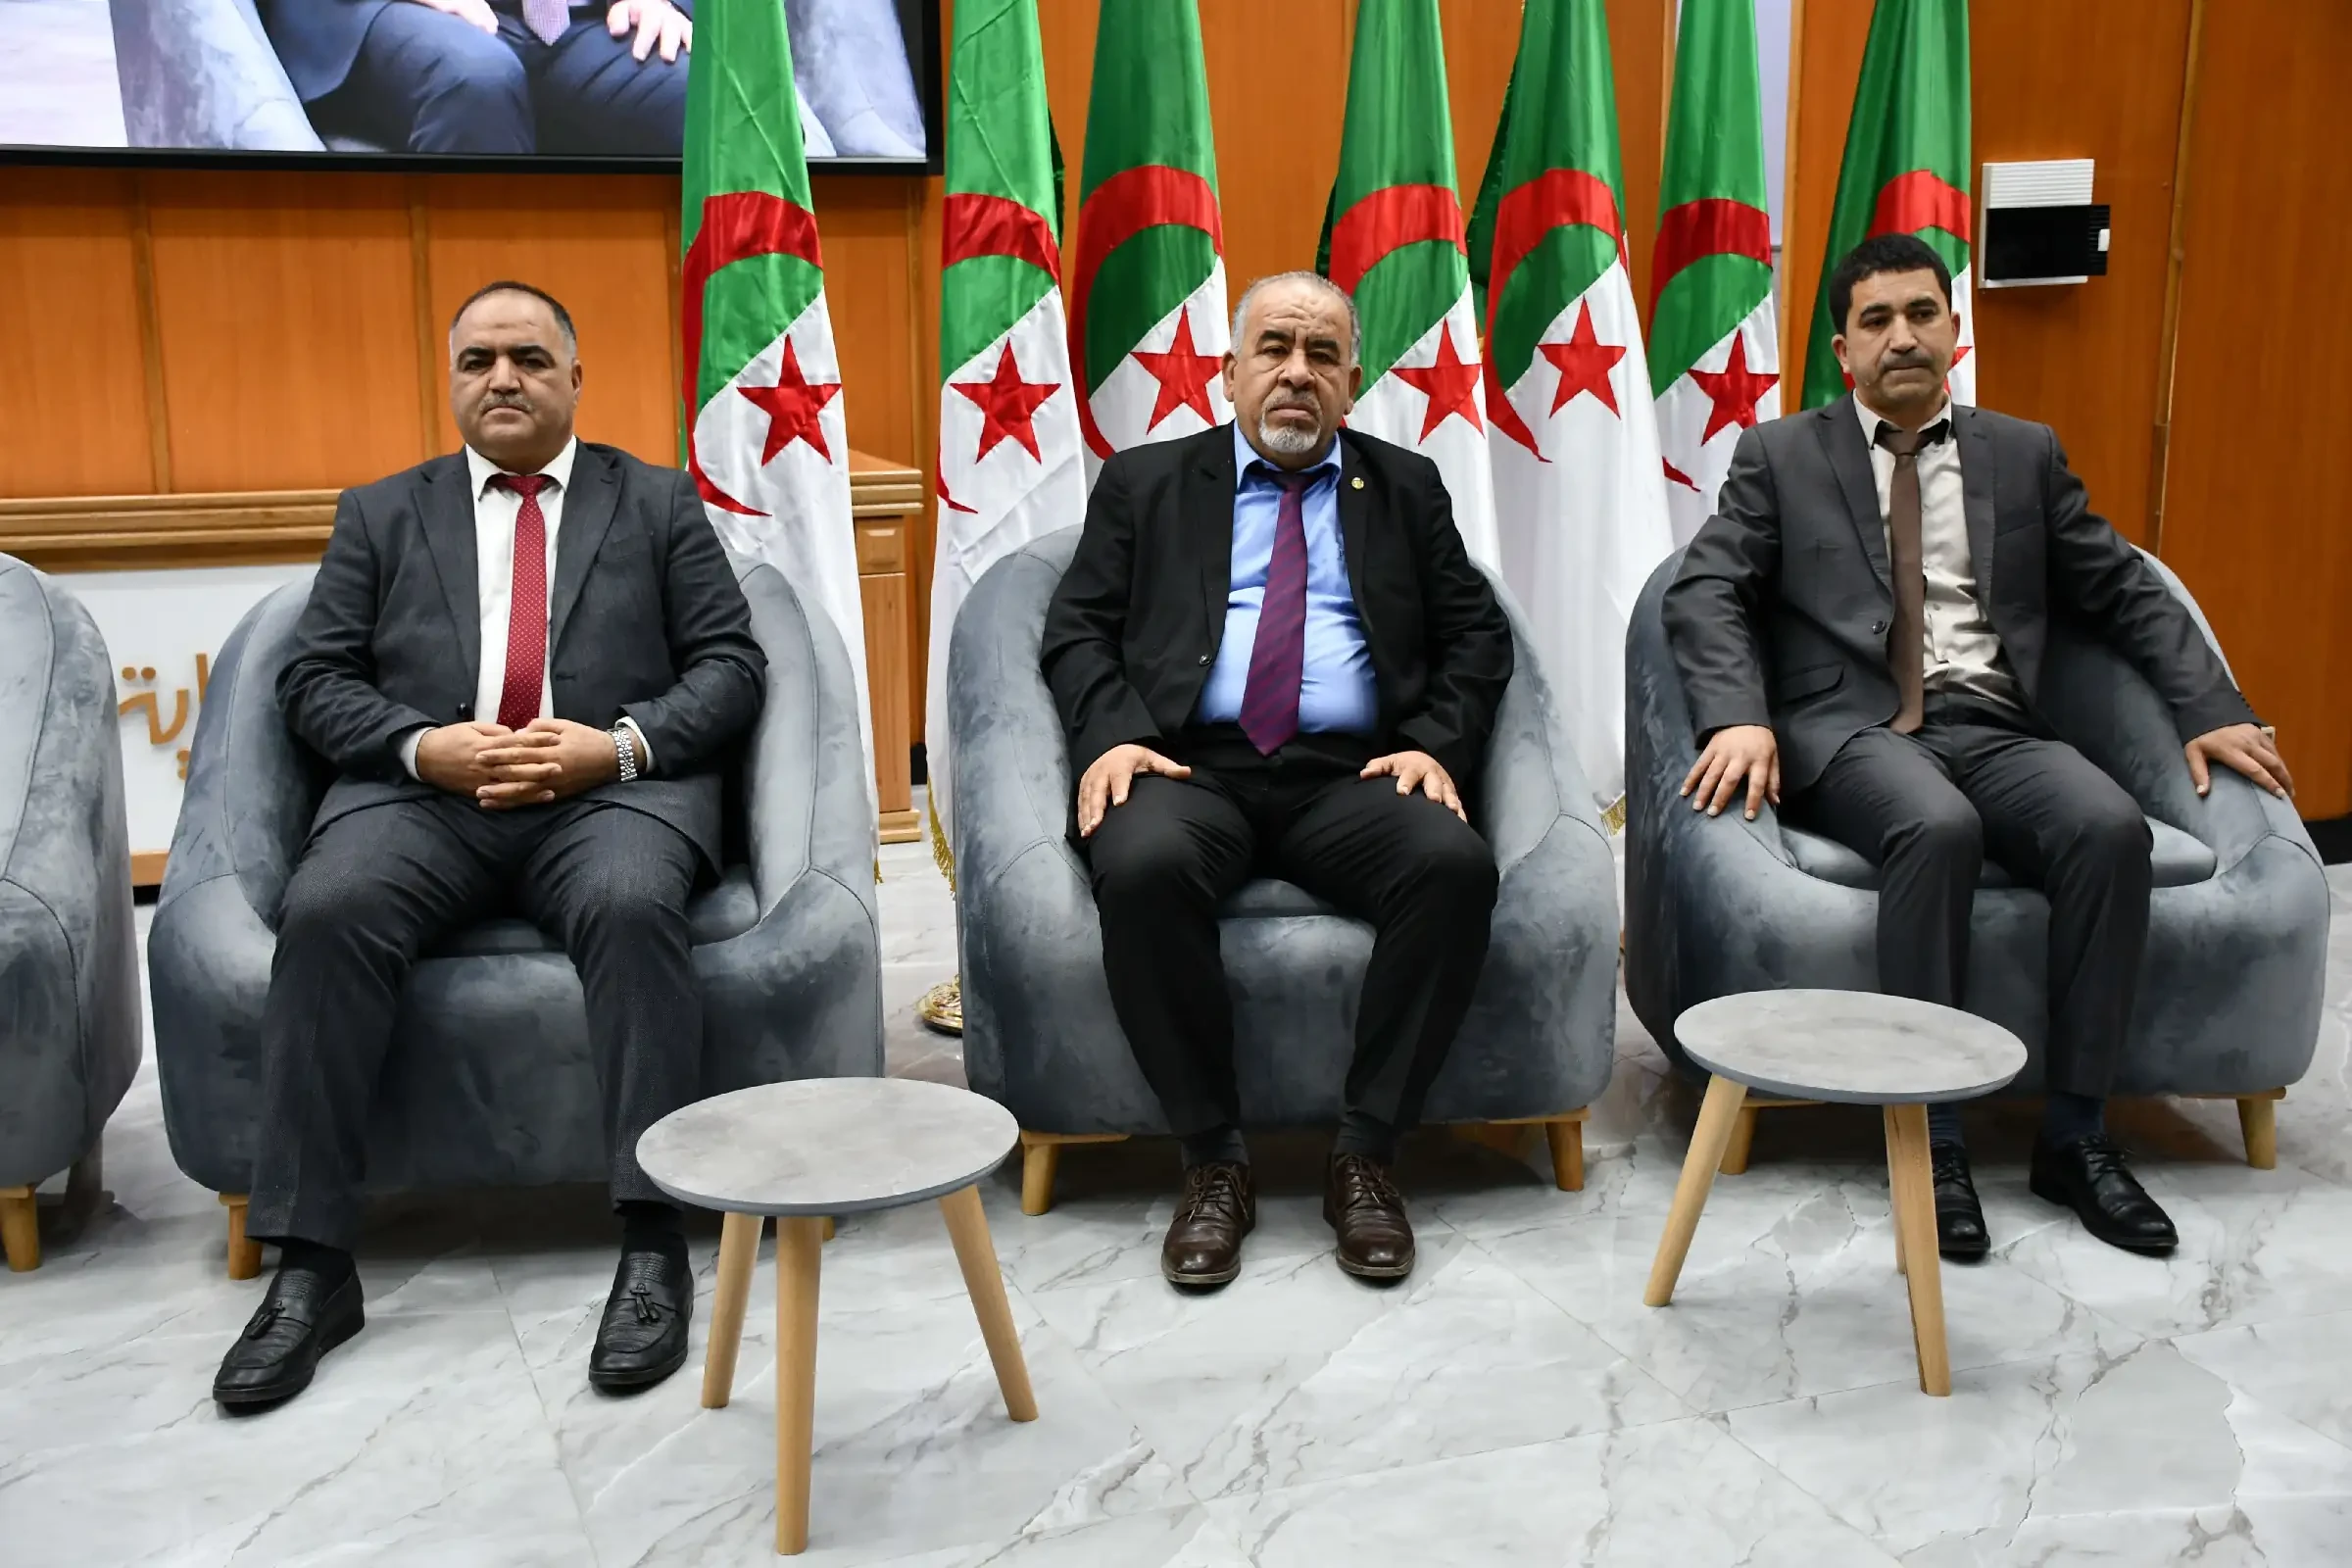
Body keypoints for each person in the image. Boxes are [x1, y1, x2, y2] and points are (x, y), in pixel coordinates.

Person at [1664, 233, 2290, 1263]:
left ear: (1954, 330)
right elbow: (1707, 587)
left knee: (2109, 830)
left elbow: (2124, 588)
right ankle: (1934, 1138)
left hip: (1997, 723)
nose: (1903, 336)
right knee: (1936, 828)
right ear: (1843, 350)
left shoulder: (2022, 452)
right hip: (1854, 729)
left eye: (1922, 313)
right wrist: (1738, 713)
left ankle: (2077, 1135)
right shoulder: (1781, 456)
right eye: (1876, 320)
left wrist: (2209, 704)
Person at [212, 280, 764, 1408]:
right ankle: (312, 1267)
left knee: (631, 905)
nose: (501, 378)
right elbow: (312, 680)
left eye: (528, 357)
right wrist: (423, 748)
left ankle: (652, 1242)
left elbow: (731, 667)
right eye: (477, 360)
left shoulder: (658, 503)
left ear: (575, 379)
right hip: (425, 801)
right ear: (453, 380)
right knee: (328, 910)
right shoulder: (380, 512)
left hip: (605, 797)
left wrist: (616, 747)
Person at [1041, 271, 1513, 1289]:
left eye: (1322, 354)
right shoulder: (1146, 482)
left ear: (1352, 381)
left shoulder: (1406, 487)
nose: (1297, 372)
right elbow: (1078, 629)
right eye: (1274, 348)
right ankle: (1214, 1160)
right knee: (1142, 864)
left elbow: (1477, 635)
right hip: (1188, 764)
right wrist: (1114, 736)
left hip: (1350, 773)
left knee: (1453, 867)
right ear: (1229, 372)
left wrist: (1434, 743)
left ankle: (1367, 1155)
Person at [257, 0, 693, 157]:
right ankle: (495, 330)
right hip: (393, 10)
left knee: (696, 99)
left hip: (582, 19)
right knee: (475, 83)